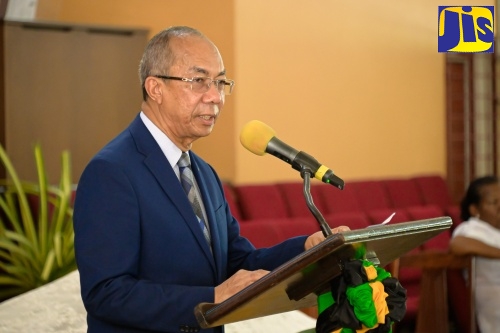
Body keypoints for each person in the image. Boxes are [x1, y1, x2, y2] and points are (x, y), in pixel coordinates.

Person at [73, 26, 349, 333]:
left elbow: (237, 261)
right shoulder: (111, 171)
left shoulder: (202, 172)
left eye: (220, 82)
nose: (216, 97)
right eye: (199, 80)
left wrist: (307, 249)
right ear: (155, 88)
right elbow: (106, 293)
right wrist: (211, 298)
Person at [449, 175, 500, 333]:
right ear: (475, 210)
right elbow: (458, 244)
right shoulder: (472, 228)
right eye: (494, 202)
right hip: (493, 300)